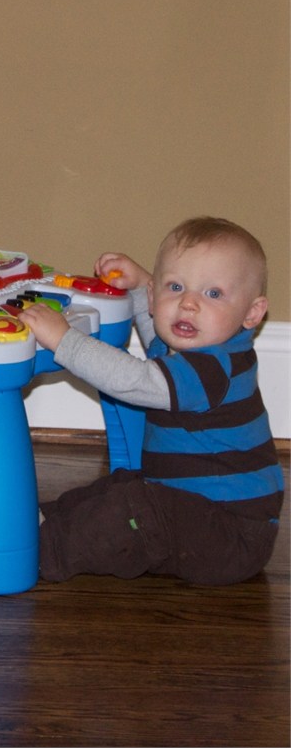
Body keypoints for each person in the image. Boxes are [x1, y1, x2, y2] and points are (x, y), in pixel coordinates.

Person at [19, 217, 284, 586]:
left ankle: (38, 552)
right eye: (175, 287)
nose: (188, 303)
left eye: (213, 294)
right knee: (121, 486)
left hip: (229, 533)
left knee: (134, 511)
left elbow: (136, 381)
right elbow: (156, 338)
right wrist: (141, 285)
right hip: (194, 512)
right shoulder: (191, 352)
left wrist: (64, 341)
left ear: (252, 313)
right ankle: (38, 522)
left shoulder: (215, 369)